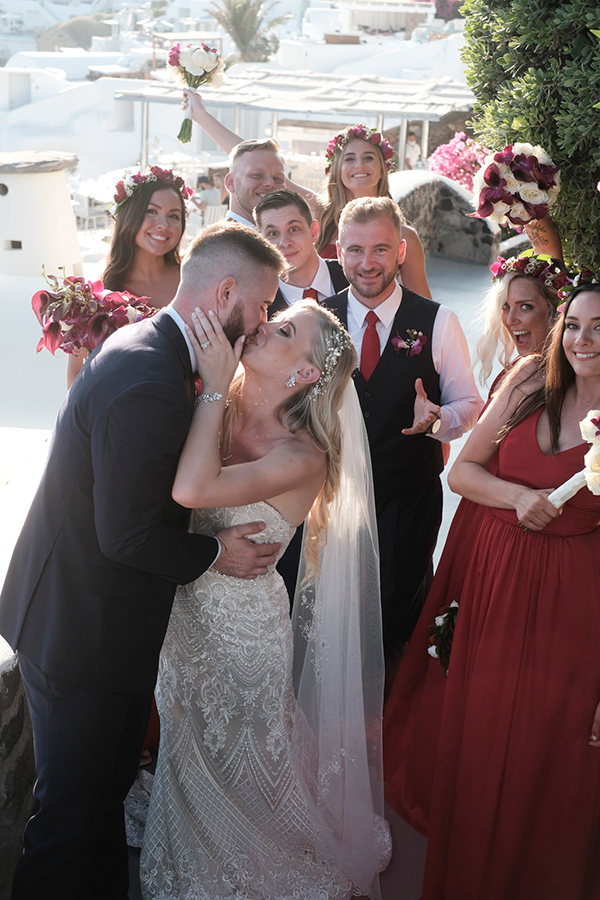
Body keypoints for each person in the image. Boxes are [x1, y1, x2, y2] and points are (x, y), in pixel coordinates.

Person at [0, 222, 287, 900]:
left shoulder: (152, 350)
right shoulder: (150, 382)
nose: (265, 320)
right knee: (68, 819)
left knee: (99, 805)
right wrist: (217, 552)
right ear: (224, 293)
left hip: (96, 625)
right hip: (79, 635)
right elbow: (125, 536)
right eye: (264, 304)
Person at [139, 299, 389, 900]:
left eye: (283, 332)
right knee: (184, 740)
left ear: (304, 374)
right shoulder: (214, 404)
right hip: (178, 615)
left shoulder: (302, 456)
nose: (261, 328)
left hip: (240, 631)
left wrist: (214, 388)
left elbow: (194, 488)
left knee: (242, 760)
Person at [387, 282, 600, 899]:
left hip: (575, 604)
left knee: (550, 756)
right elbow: (462, 472)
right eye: (576, 325)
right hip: (497, 590)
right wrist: (520, 497)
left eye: (599, 327)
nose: (584, 340)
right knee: (484, 741)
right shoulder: (533, 379)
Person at [325, 196, 482, 668]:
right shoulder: (317, 322)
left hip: (408, 501)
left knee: (397, 616)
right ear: (338, 251)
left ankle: (393, 729)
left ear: (401, 253)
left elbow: (469, 404)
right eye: (355, 250)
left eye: (380, 249)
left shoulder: (438, 321)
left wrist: (435, 420)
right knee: (335, 616)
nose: (367, 263)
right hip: (333, 499)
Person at [66, 166, 190, 389]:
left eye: (174, 216)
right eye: (152, 211)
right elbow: (77, 377)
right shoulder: (98, 295)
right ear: (130, 215)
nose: (164, 224)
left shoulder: (194, 277)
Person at [316, 124, 431, 299]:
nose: (360, 165)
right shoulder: (319, 224)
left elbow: (423, 307)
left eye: (368, 158)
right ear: (337, 170)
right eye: (350, 159)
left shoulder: (405, 236)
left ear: (382, 170)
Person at [254, 189, 348, 314]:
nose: (285, 242)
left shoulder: (351, 277)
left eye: (293, 229)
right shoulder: (259, 306)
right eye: (273, 233)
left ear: (313, 231)